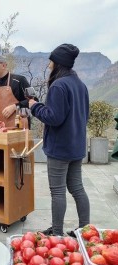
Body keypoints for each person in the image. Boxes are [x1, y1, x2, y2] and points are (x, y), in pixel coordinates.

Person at [29, 43, 90, 237]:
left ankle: (56, 233)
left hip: (60, 149)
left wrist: (34, 106)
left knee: (57, 191)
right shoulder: (80, 85)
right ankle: (85, 230)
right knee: (77, 188)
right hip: (76, 146)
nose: (49, 66)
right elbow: (84, 115)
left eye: (51, 62)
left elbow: (53, 117)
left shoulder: (58, 85)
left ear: (59, 64)